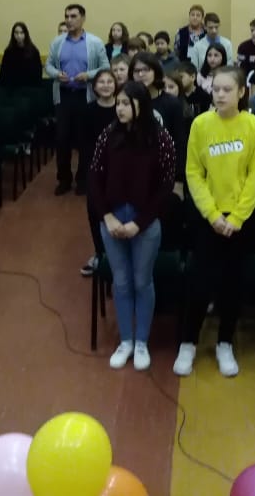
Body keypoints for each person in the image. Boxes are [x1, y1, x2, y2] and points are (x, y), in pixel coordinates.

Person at [174, 67, 255, 378]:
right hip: (207, 219)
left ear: (241, 92)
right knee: (199, 283)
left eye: (227, 89)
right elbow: (193, 173)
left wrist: (237, 217)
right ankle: (188, 342)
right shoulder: (200, 124)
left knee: (232, 284)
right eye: (216, 89)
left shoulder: (253, 126)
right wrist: (213, 215)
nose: (220, 94)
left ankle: (225, 342)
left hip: (241, 221)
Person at [87, 81, 176, 370]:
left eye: (126, 103)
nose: (120, 108)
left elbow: (165, 187)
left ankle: (141, 342)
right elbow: (94, 178)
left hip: (145, 223)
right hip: (112, 219)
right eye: (118, 103)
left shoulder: (160, 138)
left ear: (141, 105)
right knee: (121, 282)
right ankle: (126, 340)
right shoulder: (108, 134)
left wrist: (140, 222)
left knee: (142, 281)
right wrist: (107, 216)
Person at [46, 4, 110, 196]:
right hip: (64, 95)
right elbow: (48, 66)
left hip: (86, 96)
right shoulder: (58, 42)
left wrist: (89, 75)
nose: (69, 20)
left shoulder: (95, 42)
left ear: (82, 18)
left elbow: (105, 67)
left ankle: (83, 180)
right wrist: (56, 74)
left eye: (73, 16)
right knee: (62, 139)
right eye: (67, 16)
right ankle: (64, 179)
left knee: (85, 140)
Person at [79, 69, 120, 277]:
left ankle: (117, 256)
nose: (105, 85)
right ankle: (99, 254)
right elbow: (84, 144)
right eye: (101, 82)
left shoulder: (122, 108)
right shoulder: (88, 111)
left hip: (120, 169)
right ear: (94, 87)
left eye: (109, 81)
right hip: (96, 168)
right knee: (95, 212)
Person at [130, 52, 186, 190]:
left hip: (164, 171)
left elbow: (179, 142)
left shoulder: (172, 103)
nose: (141, 74)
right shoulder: (128, 101)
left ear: (156, 71)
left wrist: (179, 180)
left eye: (146, 69)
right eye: (137, 71)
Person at [0, 22, 43, 88]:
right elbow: (3, 73)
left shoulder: (33, 51)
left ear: (26, 34)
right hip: (12, 88)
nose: (19, 36)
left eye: (21, 33)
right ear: (13, 34)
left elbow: (38, 74)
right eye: (16, 33)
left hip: (29, 87)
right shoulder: (8, 52)